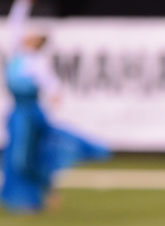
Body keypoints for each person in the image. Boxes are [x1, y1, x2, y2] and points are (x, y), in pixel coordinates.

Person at [1, 0, 109, 213]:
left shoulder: (36, 62)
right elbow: (15, 24)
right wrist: (23, 4)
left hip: (30, 116)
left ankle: (36, 193)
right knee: (15, 157)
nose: (25, 36)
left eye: (31, 36)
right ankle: (25, 197)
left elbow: (51, 84)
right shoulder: (17, 54)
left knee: (24, 157)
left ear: (36, 42)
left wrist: (54, 94)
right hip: (16, 115)